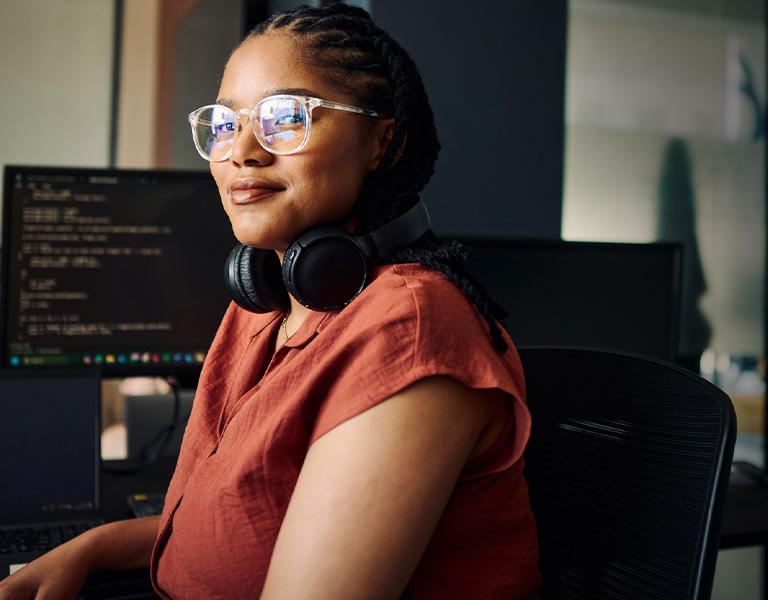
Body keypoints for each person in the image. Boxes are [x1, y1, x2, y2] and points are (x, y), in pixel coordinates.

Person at [0, 4, 541, 598]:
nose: (242, 150)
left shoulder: (409, 328)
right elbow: (237, 531)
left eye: (286, 117)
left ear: (382, 142)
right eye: (225, 123)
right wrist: (93, 546)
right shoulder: (267, 304)